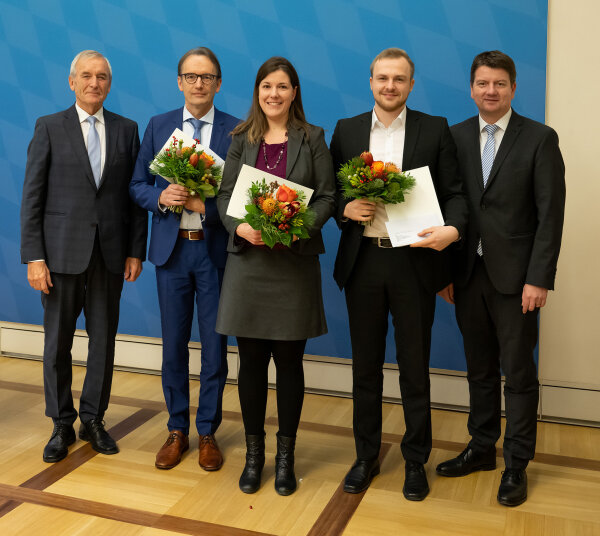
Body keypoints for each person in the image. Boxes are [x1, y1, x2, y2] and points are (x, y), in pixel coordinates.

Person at [330, 48, 468, 501]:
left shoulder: (434, 128)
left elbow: (454, 193)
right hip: (364, 262)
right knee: (365, 367)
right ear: (370, 81)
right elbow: (329, 195)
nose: (390, 86)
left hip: (414, 263)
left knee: (414, 366)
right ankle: (366, 456)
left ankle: (415, 460)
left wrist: (452, 232)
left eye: (400, 79)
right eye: (383, 78)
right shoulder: (347, 131)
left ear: (411, 84)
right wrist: (344, 209)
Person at [435, 51, 566, 506]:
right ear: (471, 88)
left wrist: (539, 278)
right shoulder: (453, 138)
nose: (491, 91)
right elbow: (451, 207)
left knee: (520, 373)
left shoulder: (540, 139)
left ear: (513, 88)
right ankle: (481, 447)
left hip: (518, 280)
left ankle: (516, 463)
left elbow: (550, 214)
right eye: (483, 83)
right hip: (468, 275)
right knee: (480, 371)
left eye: (500, 84)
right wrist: (447, 273)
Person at [20, 50, 148, 463]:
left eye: (103, 77)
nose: (95, 83)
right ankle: (61, 422)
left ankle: (94, 419)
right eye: (87, 76)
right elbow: (32, 198)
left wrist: (134, 251)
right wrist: (34, 257)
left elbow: (135, 198)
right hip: (58, 256)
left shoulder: (128, 130)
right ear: (71, 81)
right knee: (58, 343)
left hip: (110, 255)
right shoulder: (49, 127)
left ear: (110, 83)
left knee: (103, 341)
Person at [216, 57, 335, 496]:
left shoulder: (314, 138)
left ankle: (285, 458)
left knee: (288, 364)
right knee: (250, 364)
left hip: (293, 264)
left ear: (294, 92)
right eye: (267, 86)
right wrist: (239, 226)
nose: (274, 94)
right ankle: (254, 456)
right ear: (257, 92)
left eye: (282, 87)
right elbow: (225, 195)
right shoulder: (239, 138)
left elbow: (326, 196)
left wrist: (299, 226)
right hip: (249, 264)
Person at [129, 47, 239, 471]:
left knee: (215, 347)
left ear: (218, 83)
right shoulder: (158, 126)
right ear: (179, 82)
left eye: (207, 77)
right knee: (173, 345)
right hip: (172, 253)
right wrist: (160, 196)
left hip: (215, 252)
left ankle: (208, 430)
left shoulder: (237, 131)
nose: (198, 84)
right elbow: (137, 184)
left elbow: (239, 198)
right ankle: (177, 429)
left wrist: (205, 204)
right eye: (191, 77)